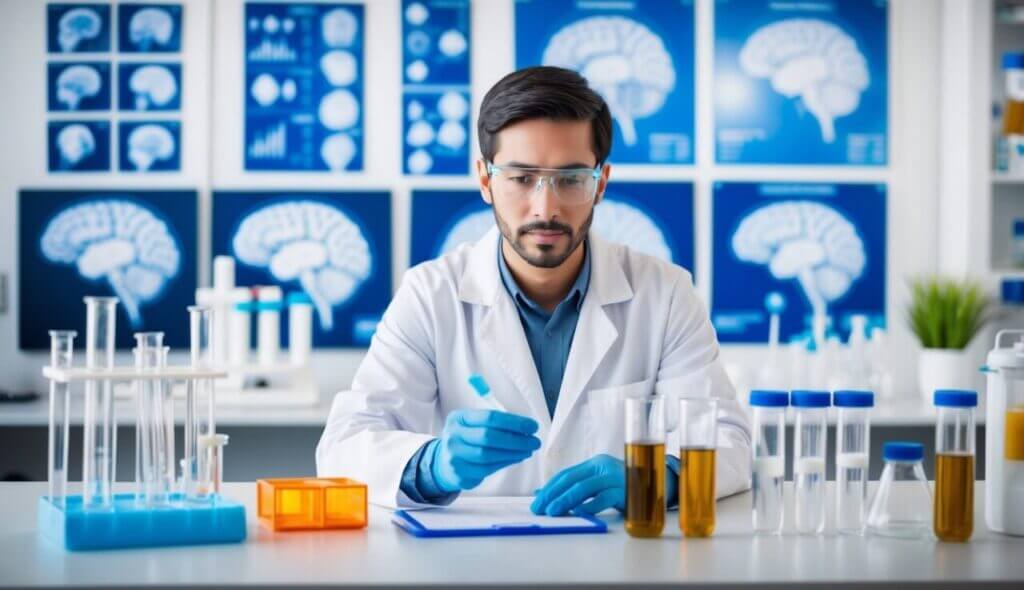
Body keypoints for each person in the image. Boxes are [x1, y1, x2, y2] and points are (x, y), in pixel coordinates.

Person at [317, 66, 751, 515]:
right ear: (486, 180)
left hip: (617, 562)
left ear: (600, 183)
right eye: (522, 178)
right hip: (472, 560)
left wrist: (655, 478)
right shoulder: (431, 294)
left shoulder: (664, 293)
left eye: (571, 179)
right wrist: (432, 466)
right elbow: (344, 445)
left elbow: (730, 440)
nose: (546, 207)